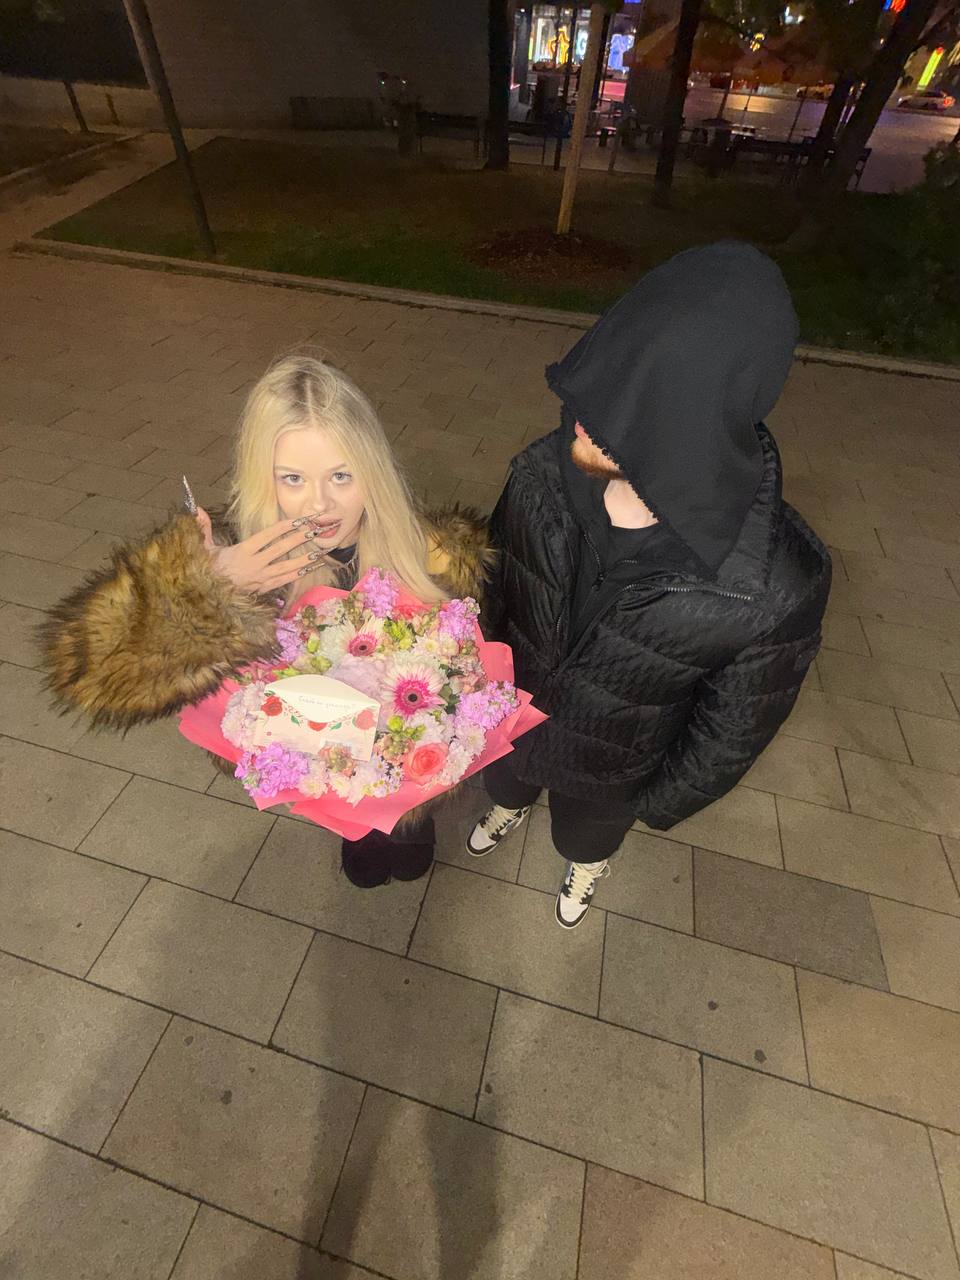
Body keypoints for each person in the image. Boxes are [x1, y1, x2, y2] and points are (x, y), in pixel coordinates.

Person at [467, 242, 831, 928]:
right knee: (505, 783)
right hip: (505, 719)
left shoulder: (773, 587)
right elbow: (495, 590)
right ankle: (507, 807)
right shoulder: (541, 476)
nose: (582, 408)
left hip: (609, 771)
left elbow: (730, 734)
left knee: (581, 835)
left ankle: (587, 864)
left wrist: (650, 801)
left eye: (630, 399)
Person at [42, 354, 491, 889]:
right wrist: (206, 588)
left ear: (373, 470)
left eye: (342, 475)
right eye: (293, 478)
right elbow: (94, 674)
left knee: (410, 836)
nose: (320, 503)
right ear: (264, 477)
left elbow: (468, 679)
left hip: (411, 770)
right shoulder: (240, 556)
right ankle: (359, 835)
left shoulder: (436, 554)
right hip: (331, 767)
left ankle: (410, 829)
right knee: (362, 840)